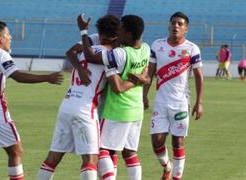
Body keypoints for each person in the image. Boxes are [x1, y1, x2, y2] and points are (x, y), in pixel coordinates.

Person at [0, 21, 63, 180]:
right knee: (16, 152)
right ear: (1, 38)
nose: (10, 37)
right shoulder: (0, 55)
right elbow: (18, 76)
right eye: (8, 34)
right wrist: (46, 77)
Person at [37, 14, 124, 180]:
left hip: (67, 105)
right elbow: (116, 85)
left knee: (53, 157)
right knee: (90, 159)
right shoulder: (110, 56)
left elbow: (72, 53)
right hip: (85, 109)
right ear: (116, 35)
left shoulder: (86, 49)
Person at [78, 14, 150, 180]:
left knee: (100, 149)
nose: (118, 32)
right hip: (136, 110)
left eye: (121, 29)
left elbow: (90, 57)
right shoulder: (146, 49)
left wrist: (83, 31)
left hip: (118, 109)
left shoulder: (119, 54)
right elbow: (145, 77)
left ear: (129, 33)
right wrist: (141, 80)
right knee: (129, 152)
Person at [139, 12, 204, 180]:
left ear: (186, 29)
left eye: (180, 24)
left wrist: (199, 102)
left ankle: (176, 177)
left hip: (181, 103)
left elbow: (198, 76)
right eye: (173, 23)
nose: (176, 26)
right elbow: (150, 73)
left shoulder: (192, 48)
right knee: (157, 141)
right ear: (169, 26)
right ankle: (167, 166)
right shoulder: (157, 45)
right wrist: (144, 95)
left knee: (178, 142)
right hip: (160, 102)